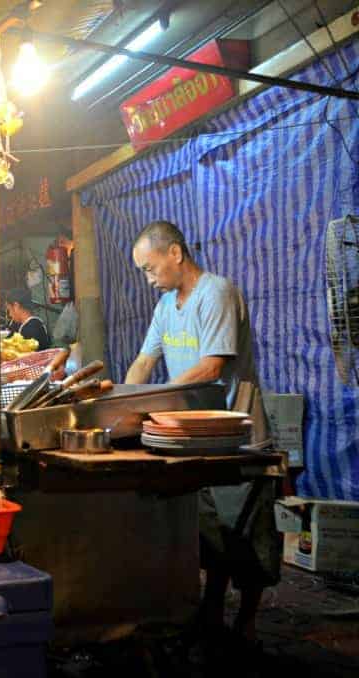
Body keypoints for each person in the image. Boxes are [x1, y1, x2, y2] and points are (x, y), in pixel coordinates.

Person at [123, 220, 277, 644]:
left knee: (247, 539)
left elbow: (212, 367)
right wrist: (126, 402)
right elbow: (143, 362)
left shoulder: (217, 293)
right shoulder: (166, 307)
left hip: (238, 439)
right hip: (193, 440)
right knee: (211, 534)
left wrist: (155, 400)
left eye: (150, 268)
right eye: (143, 272)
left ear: (175, 253)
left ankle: (244, 632)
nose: (149, 279)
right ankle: (210, 614)